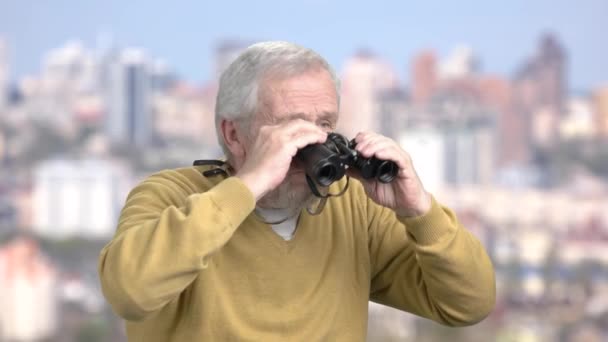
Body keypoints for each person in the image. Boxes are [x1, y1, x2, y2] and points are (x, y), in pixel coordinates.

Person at [98, 41, 495, 341]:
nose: (310, 141)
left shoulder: (353, 206)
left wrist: (419, 212)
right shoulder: (169, 195)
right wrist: (249, 185)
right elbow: (129, 292)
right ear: (233, 133)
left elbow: (468, 303)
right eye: (291, 125)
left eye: (324, 123)